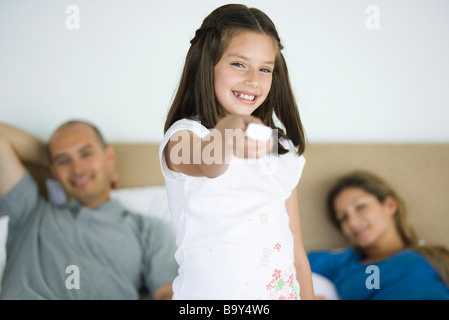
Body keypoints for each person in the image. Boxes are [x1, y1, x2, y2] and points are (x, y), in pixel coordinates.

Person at [159, 4, 314, 299]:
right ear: (207, 64)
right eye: (239, 64)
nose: (253, 80)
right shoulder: (184, 138)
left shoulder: (280, 151)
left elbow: (298, 258)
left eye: (265, 69)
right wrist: (228, 130)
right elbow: (209, 163)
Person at [0, 120, 178, 299]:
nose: (77, 169)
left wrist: (59, 159)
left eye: (86, 154)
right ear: (53, 171)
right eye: (63, 160)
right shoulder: (29, 211)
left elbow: (167, 294)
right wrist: (50, 157)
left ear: (109, 157)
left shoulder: (148, 231)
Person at [308, 170, 449, 300]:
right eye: (343, 218)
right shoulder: (341, 263)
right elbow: (292, 259)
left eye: (360, 206)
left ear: (390, 205)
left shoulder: (434, 255)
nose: (352, 222)